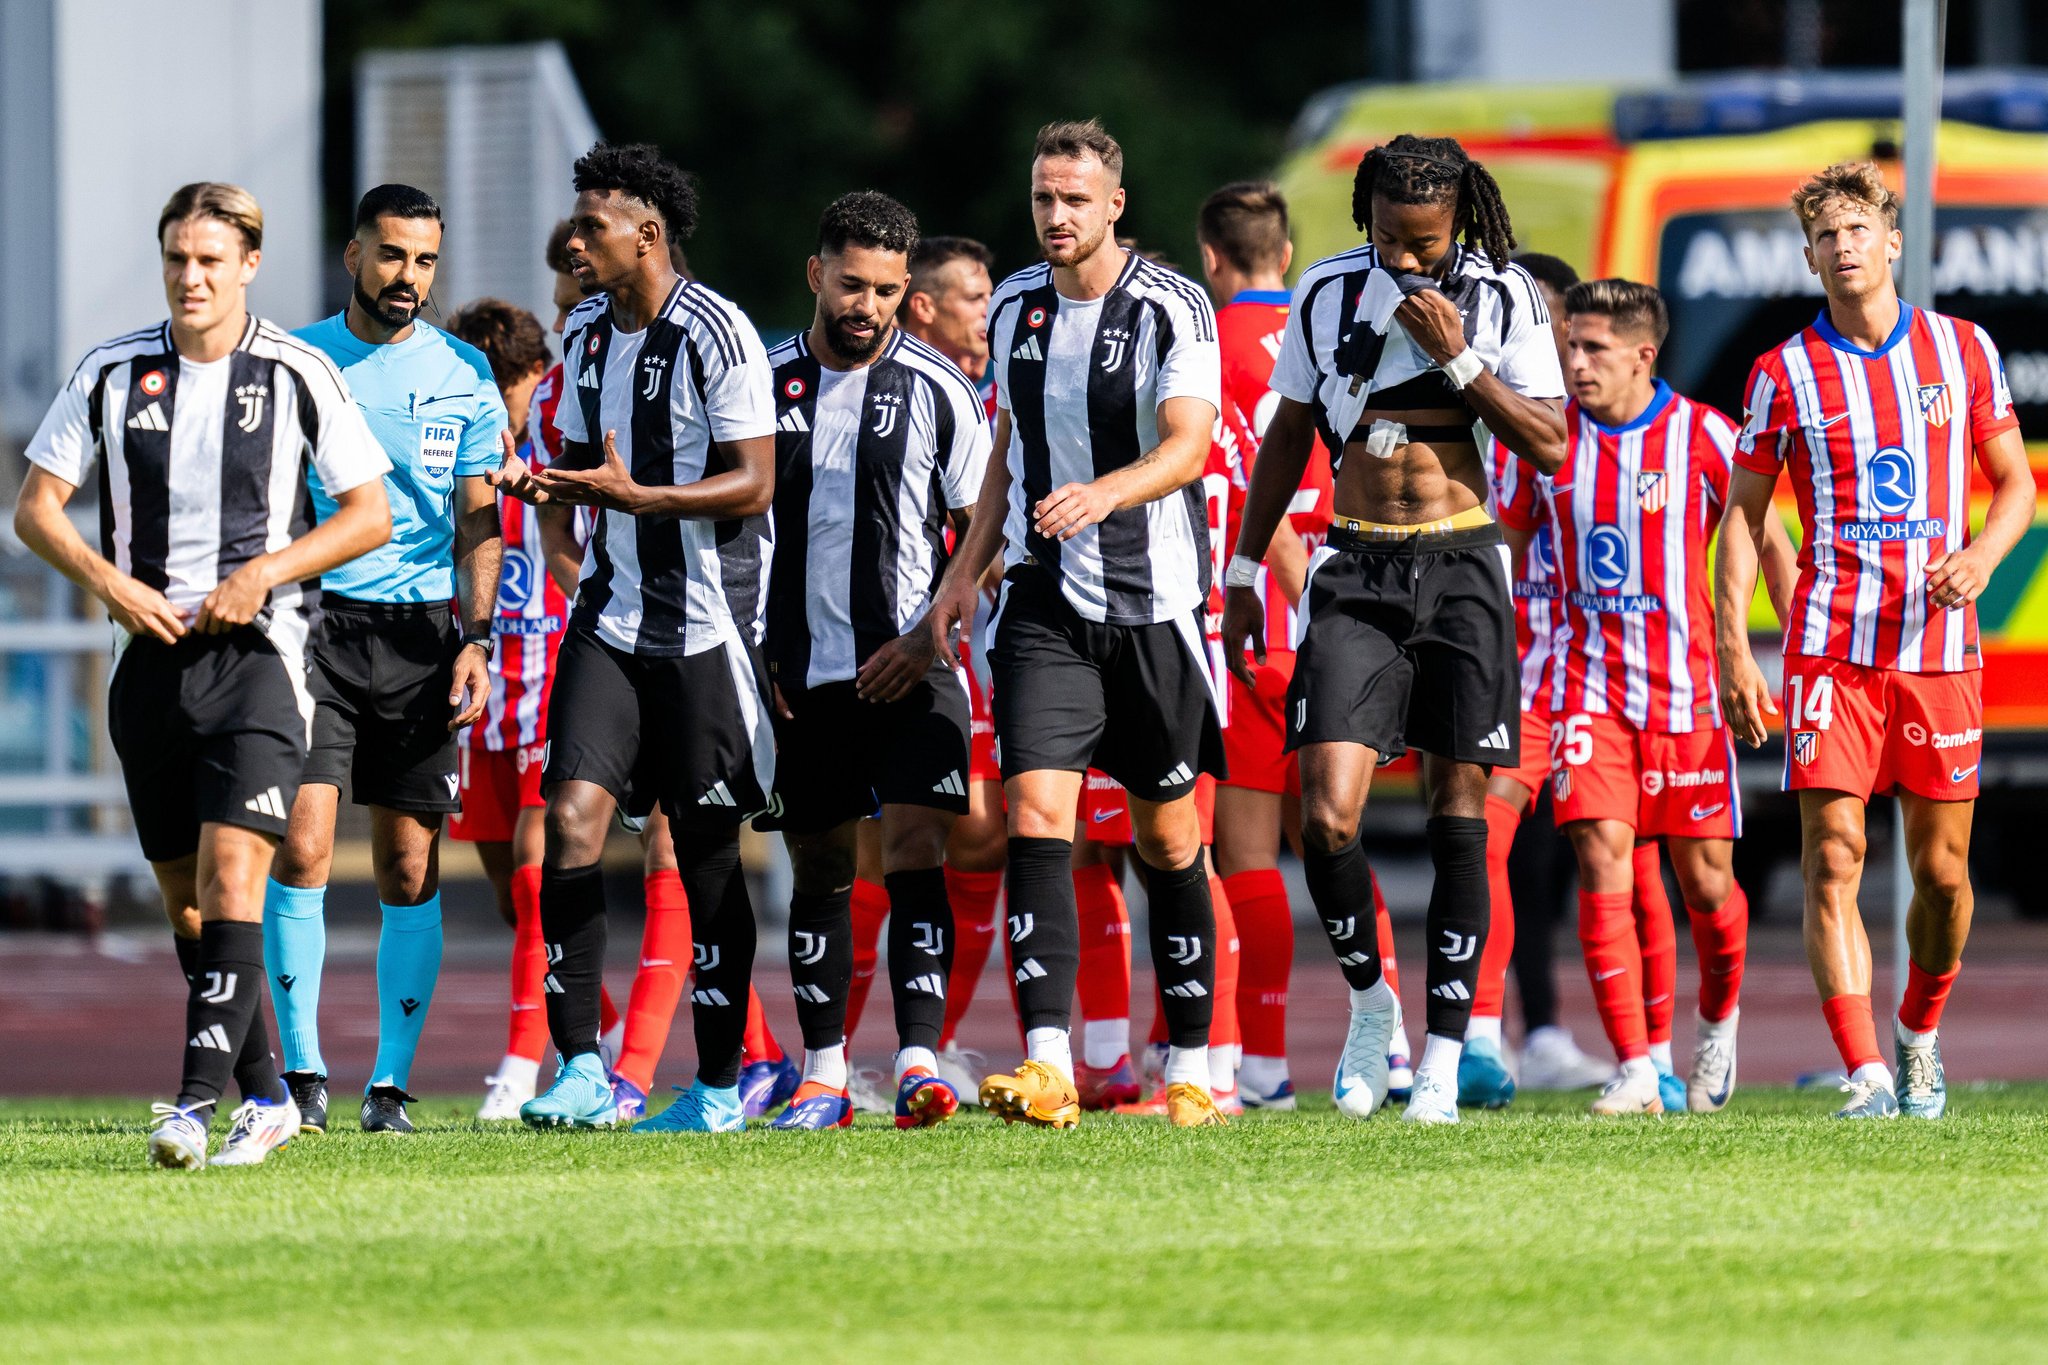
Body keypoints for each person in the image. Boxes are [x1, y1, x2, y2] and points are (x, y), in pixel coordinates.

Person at [14, 182, 392, 1168]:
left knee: (237, 876)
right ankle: (263, 1095)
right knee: (189, 904)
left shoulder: (298, 371)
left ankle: (189, 1105)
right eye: (178, 258)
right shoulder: (109, 371)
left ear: (249, 265)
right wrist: (109, 584)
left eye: (211, 261)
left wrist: (265, 571)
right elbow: (37, 508)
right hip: (147, 669)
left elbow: (367, 513)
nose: (191, 277)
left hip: (259, 661)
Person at [1222, 133, 1569, 1124]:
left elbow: (1545, 443)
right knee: (1325, 813)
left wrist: (1457, 355)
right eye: (1388, 236)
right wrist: (1246, 567)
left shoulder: (1500, 295)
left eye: (1423, 242)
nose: (1404, 259)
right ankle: (1373, 1010)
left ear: (1456, 221)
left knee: (1459, 819)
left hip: (1461, 565)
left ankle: (1446, 1059)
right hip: (1351, 565)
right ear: (1366, 213)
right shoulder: (1328, 292)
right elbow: (1289, 432)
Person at [929, 119, 1229, 1129]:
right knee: (1035, 817)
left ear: (1113, 206)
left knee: (1166, 834)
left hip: (1153, 606)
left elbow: (1188, 448)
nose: (1054, 217)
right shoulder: (1012, 304)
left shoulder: (1171, 305)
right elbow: (1004, 457)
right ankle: (1047, 1062)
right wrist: (965, 574)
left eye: (1073, 200)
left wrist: (1102, 493)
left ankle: (1192, 1069)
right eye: (1040, 199)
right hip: (1043, 604)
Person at [1717, 160, 2031, 1120]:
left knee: (1942, 878)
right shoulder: (1782, 373)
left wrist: (1980, 556)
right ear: (1810, 258)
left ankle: (1919, 1035)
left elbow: (2015, 483)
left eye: (1859, 230)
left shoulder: (1963, 350)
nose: (1844, 246)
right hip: (1830, 649)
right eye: (1827, 236)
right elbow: (1742, 515)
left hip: (1939, 654)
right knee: (1835, 854)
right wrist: (1736, 645)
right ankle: (1863, 1070)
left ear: (1893, 243)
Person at [492, 142, 777, 1135]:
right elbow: (572, 467)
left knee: (702, 856)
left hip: (705, 631)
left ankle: (715, 1086)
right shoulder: (580, 333)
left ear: (647, 235)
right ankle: (580, 1070)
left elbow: (754, 482)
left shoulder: (719, 332)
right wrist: (562, 513)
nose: (574, 242)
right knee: (568, 816)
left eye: (592, 226)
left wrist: (637, 497)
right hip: (608, 625)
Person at [1505, 279, 1794, 1116]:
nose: (1574, 362)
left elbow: (1768, 541)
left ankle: (1717, 1022)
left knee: (1705, 887)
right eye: (1570, 345)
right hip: (1585, 694)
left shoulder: (1705, 437)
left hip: (1688, 698)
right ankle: (1635, 1064)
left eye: (1593, 348)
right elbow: (1507, 556)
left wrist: (1774, 657)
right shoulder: (1549, 439)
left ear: (1643, 354)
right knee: (1602, 861)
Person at [261, 186, 507, 1137]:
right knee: (307, 843)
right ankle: (302, 1075)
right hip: (315, 627)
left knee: (409, 863)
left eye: (427, 261)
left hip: (422, 638)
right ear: (355, 254)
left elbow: (479, 518)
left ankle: (390, 1088)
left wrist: (476, 640)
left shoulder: (463, 370)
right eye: (394, 256)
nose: (410, 278)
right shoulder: (297, 359)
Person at [756, 191, 992, 1131]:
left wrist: (933, 627)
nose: (870, 306)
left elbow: (984, 530)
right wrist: (755, 643)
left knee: (916, 849)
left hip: (913, 661)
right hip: (798, 671)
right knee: (818, 865)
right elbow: (731, 522)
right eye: (853, 285)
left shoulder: (938, 387)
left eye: (889, 291)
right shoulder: (759, 384)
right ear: (818, 275)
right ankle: (822, 1073)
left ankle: (920, 1061)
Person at [1195, 179, 1413, 1110]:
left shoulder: (1207, 350)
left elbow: (1253, 485)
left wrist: (1267, 580)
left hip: (1249, 635)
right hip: (1350, 625)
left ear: (1211, 258)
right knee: (1341, 838)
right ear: (1284, 255)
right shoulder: (1340, 323)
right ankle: (1398, 1045)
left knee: (1245, 856)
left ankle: (1260, 1063)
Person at [1474, 251, 1617, 1098]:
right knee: (1489, 848)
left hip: (1590, 674)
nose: (1560, 351)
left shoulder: (1596, 424)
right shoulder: (1472, 412)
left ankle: (1641, 1053)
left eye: (1565, 331)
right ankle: (1486, 1034)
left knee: (1601, 860)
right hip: (1497, 667)